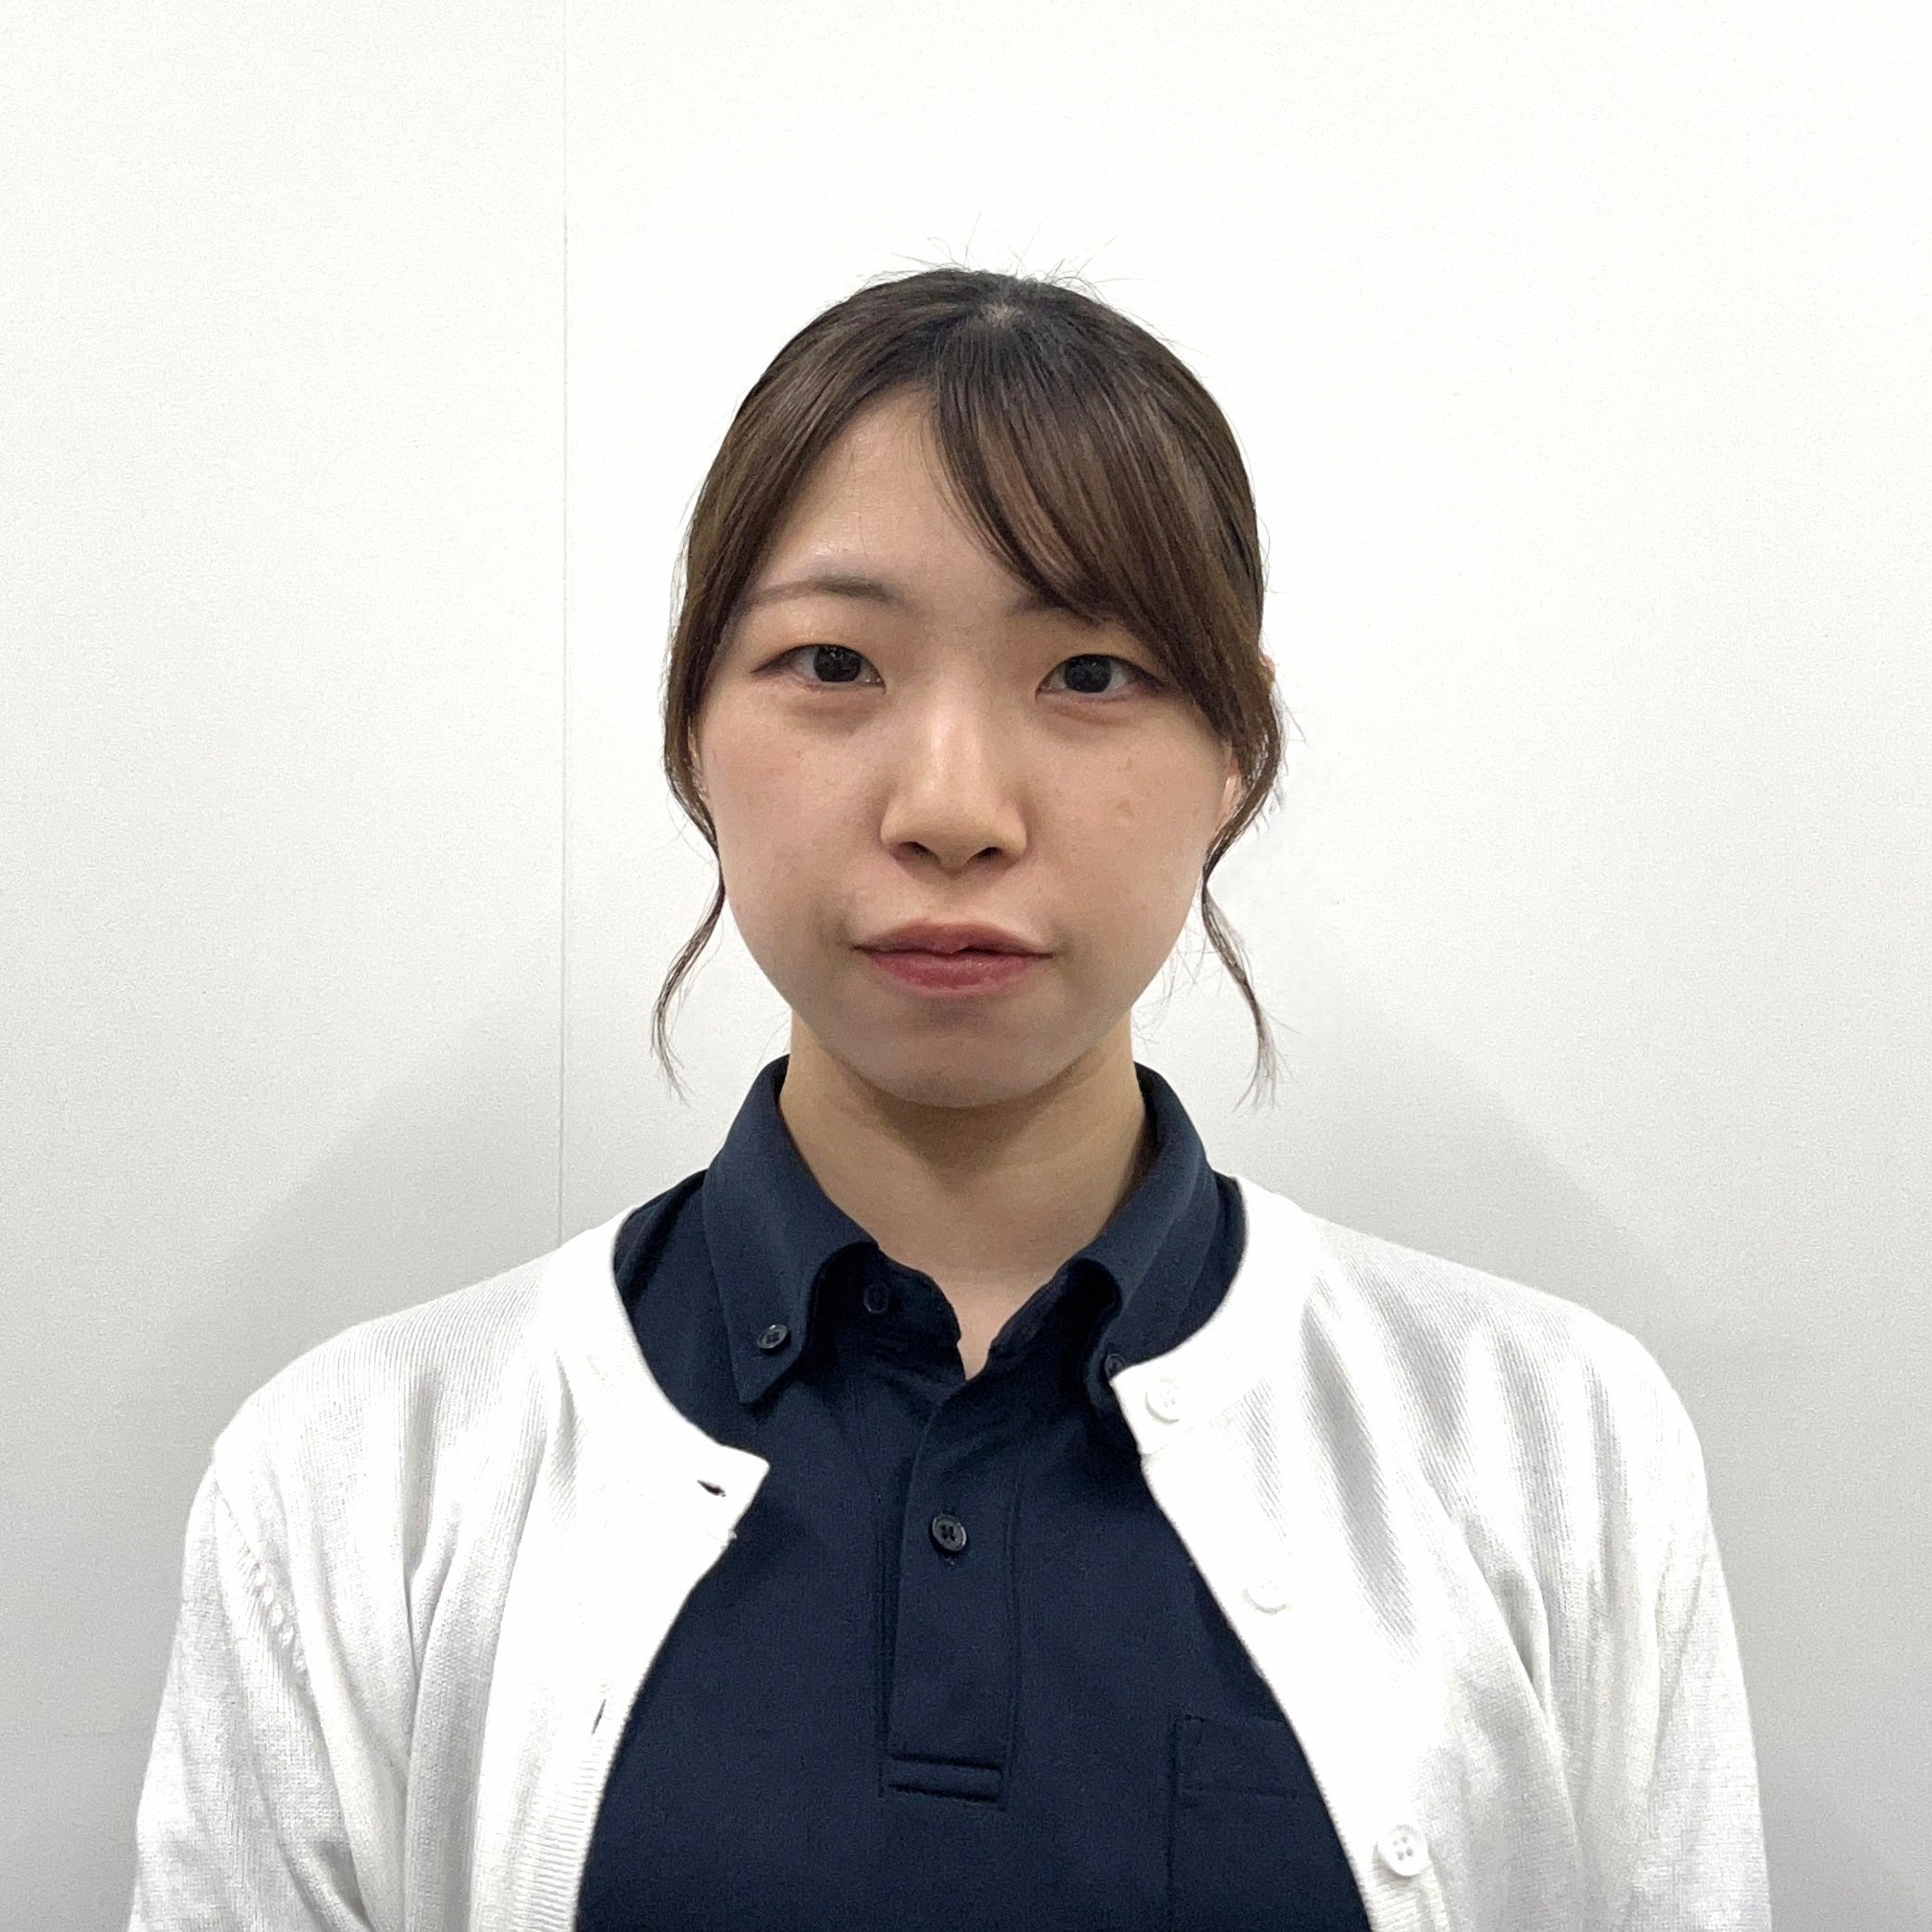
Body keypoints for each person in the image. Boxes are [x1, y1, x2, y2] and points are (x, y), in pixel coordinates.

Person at [127, 266, 1772, 1931]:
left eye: (1091, 672)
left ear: (1234, 754)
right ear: (692, 730)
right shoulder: (360, 1478)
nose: (953, 806)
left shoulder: (1544, 1442)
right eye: (834, 661)